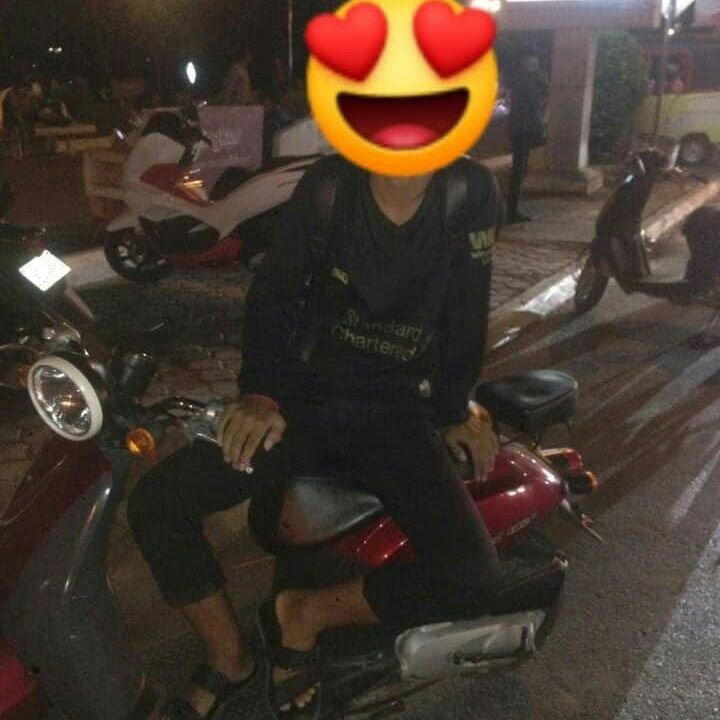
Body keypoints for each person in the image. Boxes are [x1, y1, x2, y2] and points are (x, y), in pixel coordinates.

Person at [128, 152, 504, 720]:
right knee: (158, 503)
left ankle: (306, 614)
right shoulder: (330, 187)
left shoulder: (469, 190)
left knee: (472, 578)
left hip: (400, 414)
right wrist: (261, 395)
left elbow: (467, 309)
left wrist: (456, 409)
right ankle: (229, 658)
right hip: (305, 402)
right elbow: (275, 295)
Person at [505, 45, 548, 224]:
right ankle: (512, 211)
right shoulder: (525, 81)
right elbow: (536, 103)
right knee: (519, 171)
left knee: (520, 170)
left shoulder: (524, 79)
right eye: (531, 58)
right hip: (523, 129)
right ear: (523, 61)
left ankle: (513, 209)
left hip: (522, 129)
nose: (534, 62)